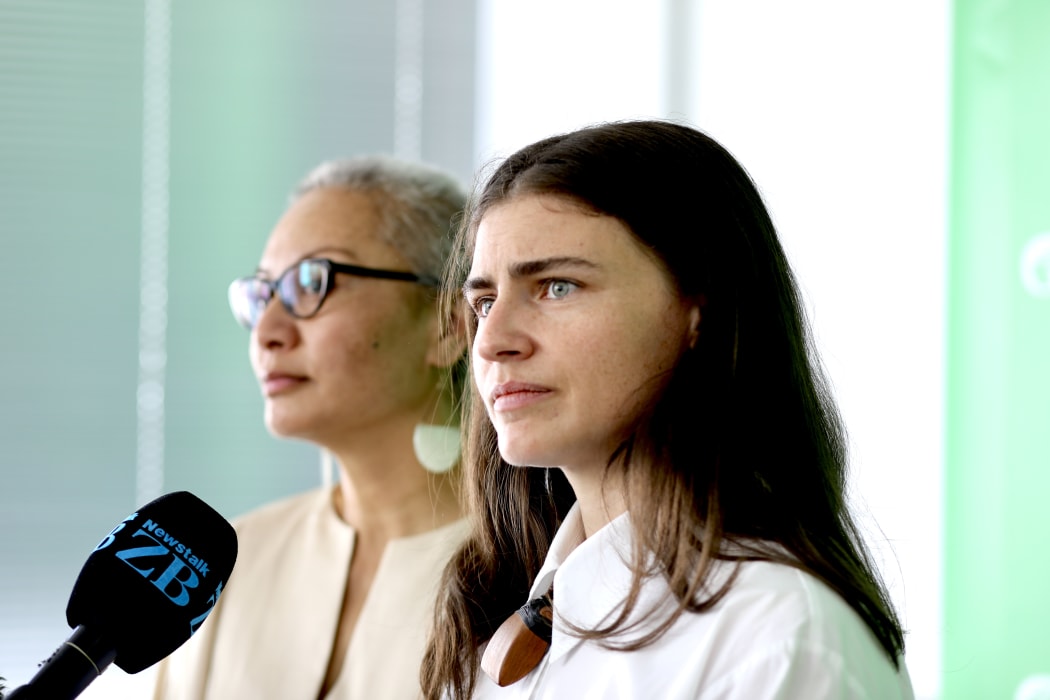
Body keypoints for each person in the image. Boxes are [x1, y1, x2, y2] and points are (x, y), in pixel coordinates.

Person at [420, 120, 914, 699]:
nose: (491, 340)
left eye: (557, 287)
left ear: (698, 312)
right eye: (484, 301)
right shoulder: (495, 610)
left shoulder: (778, 636)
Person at [153, 156, 470, 699]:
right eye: (262, 295)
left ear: (445, 326)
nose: (268, 332)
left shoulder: (538, 575)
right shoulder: (221, 564)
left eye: (311, 283)